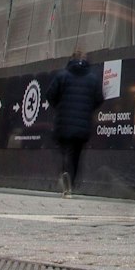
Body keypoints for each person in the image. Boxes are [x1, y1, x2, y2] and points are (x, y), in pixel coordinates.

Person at [46, 52, 104, 197]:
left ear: (71, 59)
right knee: (76, 154)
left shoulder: (62, 76)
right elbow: (99, 98)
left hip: (63, 122)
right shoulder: (93, 79)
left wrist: (59, 106)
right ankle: (70, 182)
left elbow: (50, 94)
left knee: (65, 150)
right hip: (82, 124)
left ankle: (64, 172)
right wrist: (88, 108)